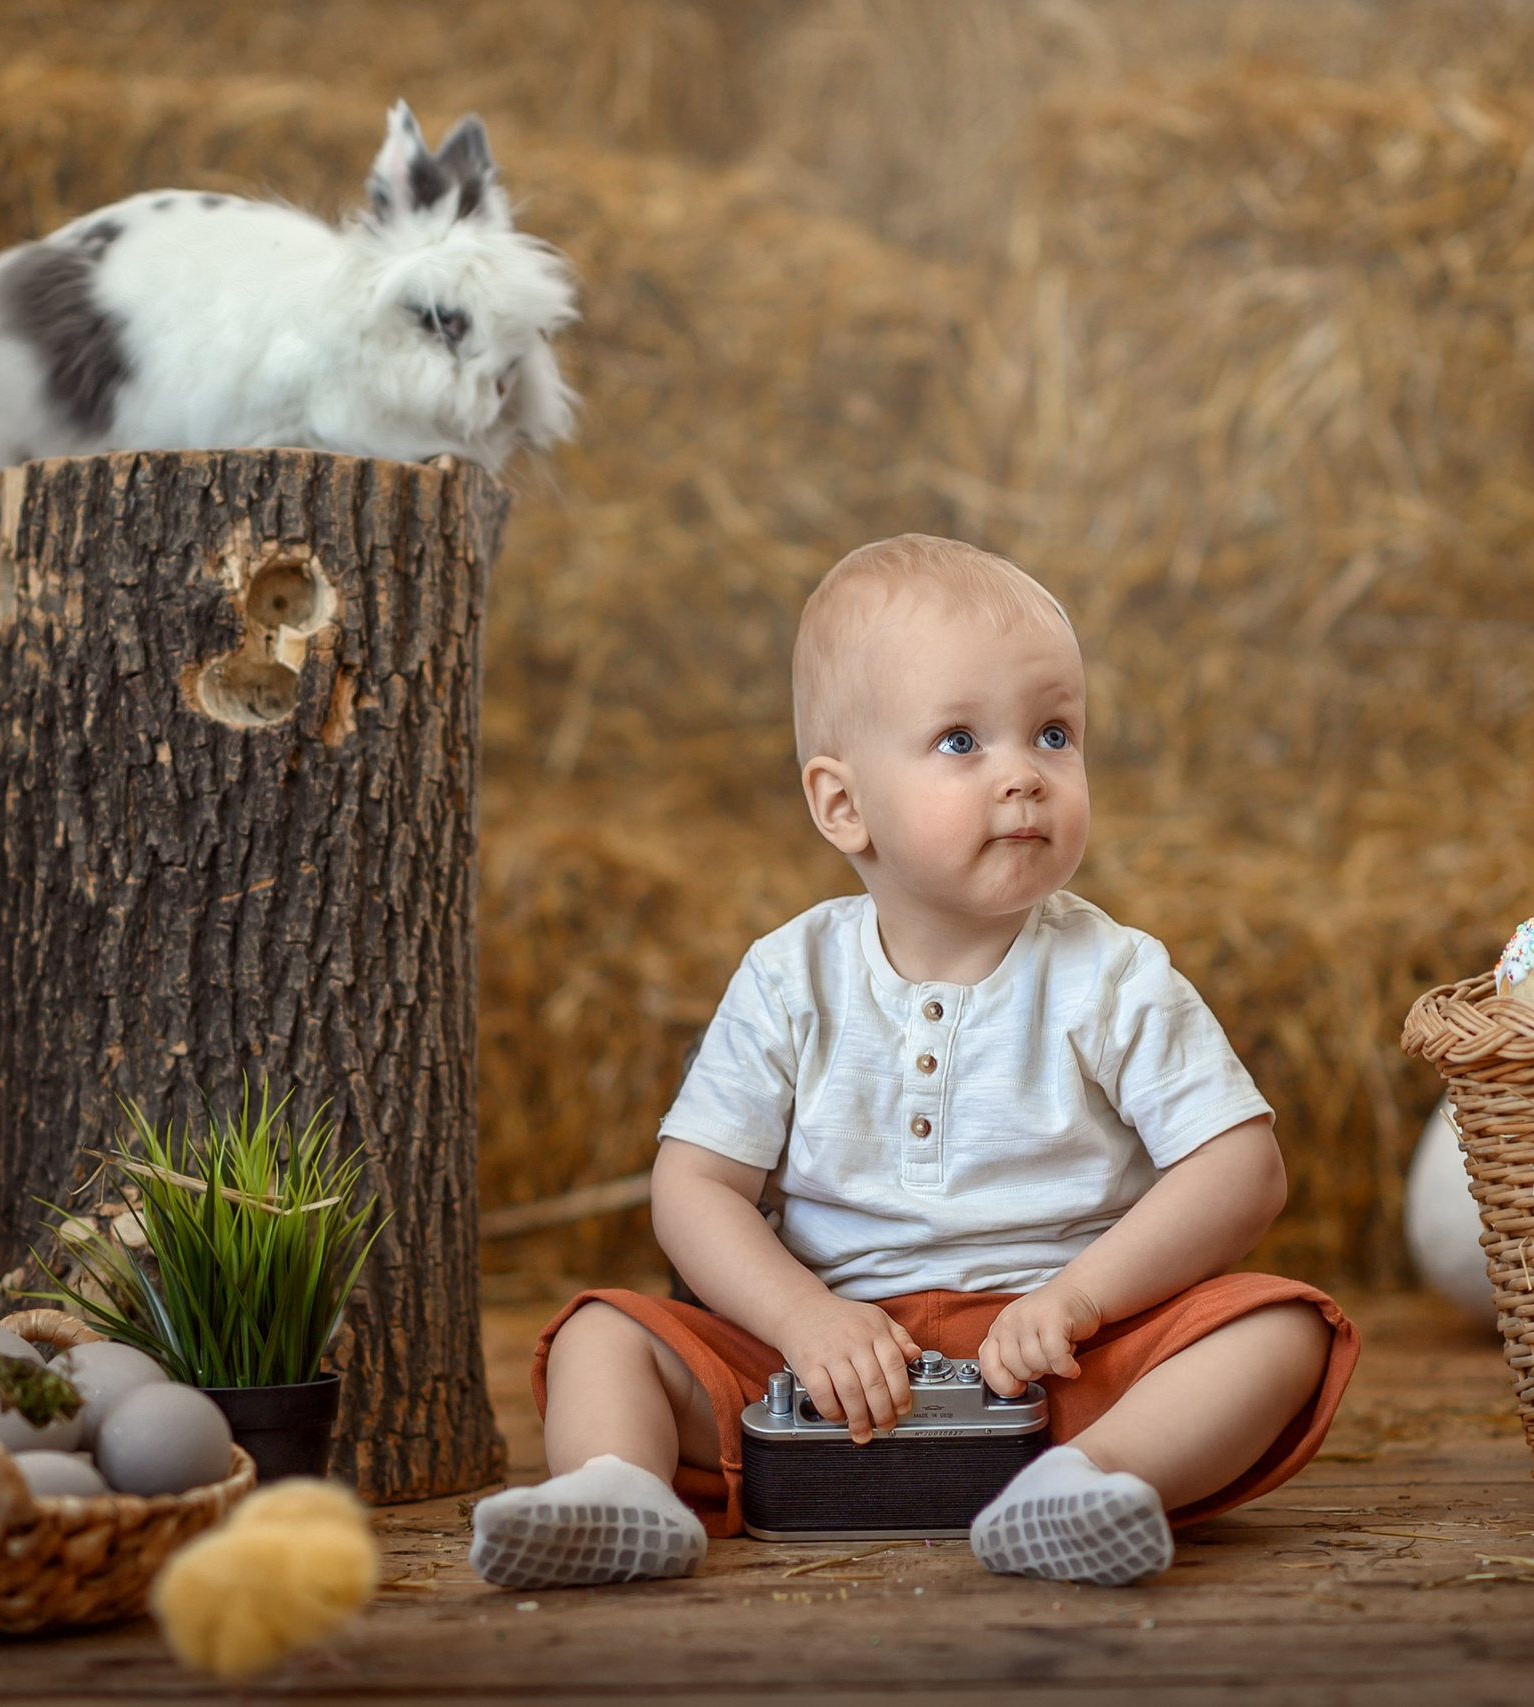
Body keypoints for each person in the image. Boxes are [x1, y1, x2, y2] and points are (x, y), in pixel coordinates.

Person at [470, 534, 1360, 1590]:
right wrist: (803, 1318)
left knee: (1279, 1329)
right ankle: (615, 1489)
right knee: (601, 1334)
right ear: (843, 805)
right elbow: (693, 1187)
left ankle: (1087, 1483)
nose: (1024, 775)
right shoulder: (790, 974)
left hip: (1058, 1356)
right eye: (959, 742)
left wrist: (1077, 1302)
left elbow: (1240, 1168)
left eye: (1054, 733)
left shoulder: (1111, 974)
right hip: (819, 1370)